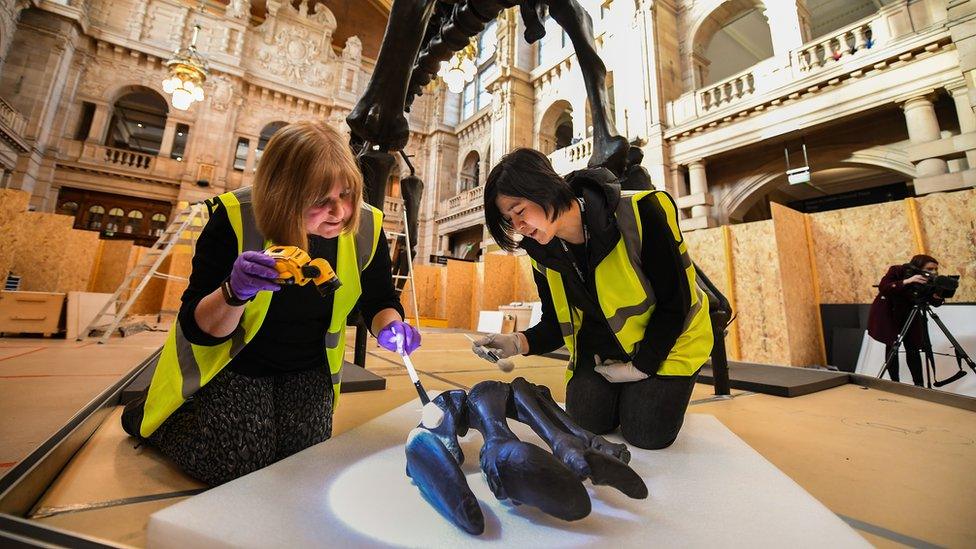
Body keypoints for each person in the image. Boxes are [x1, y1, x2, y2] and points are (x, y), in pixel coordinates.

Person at [122, 120, 420, 485]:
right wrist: (234, 291)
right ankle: (149, 418)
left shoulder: (367, 226)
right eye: (320, 201)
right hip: (233, 365)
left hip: (308, 366)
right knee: (237, 463)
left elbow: (379, 300)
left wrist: (392, 327)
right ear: (285, 196)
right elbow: (197, 329)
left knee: (301, 458)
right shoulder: (233, 217)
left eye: (347, 194)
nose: (340, 212)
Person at [475, 148, 713, 450]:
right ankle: (630, 395)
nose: (518, 226)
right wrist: (515, 343)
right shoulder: (542, 255)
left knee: (645, 433)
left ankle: (654, 389)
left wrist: (642, 367)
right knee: (587, 422)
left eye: (519, 210)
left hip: (669, 344)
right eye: (509, 220)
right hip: (603, 355)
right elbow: (555, 324)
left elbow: (674, 303)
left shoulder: (641, 213)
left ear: (544, 188)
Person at [868, 254, 943, 386]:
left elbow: (933, 301)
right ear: (918, 267)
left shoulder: (929, 279)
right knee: (892, 346)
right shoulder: (897, 270)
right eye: (930, 269)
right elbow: (884, 287)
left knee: (913, 348)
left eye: (935, 269)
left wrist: (938, 295)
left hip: (910, 313)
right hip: (890, 312)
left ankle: (919, 385)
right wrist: (908, 281)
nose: (934, 272)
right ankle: (895, 383)